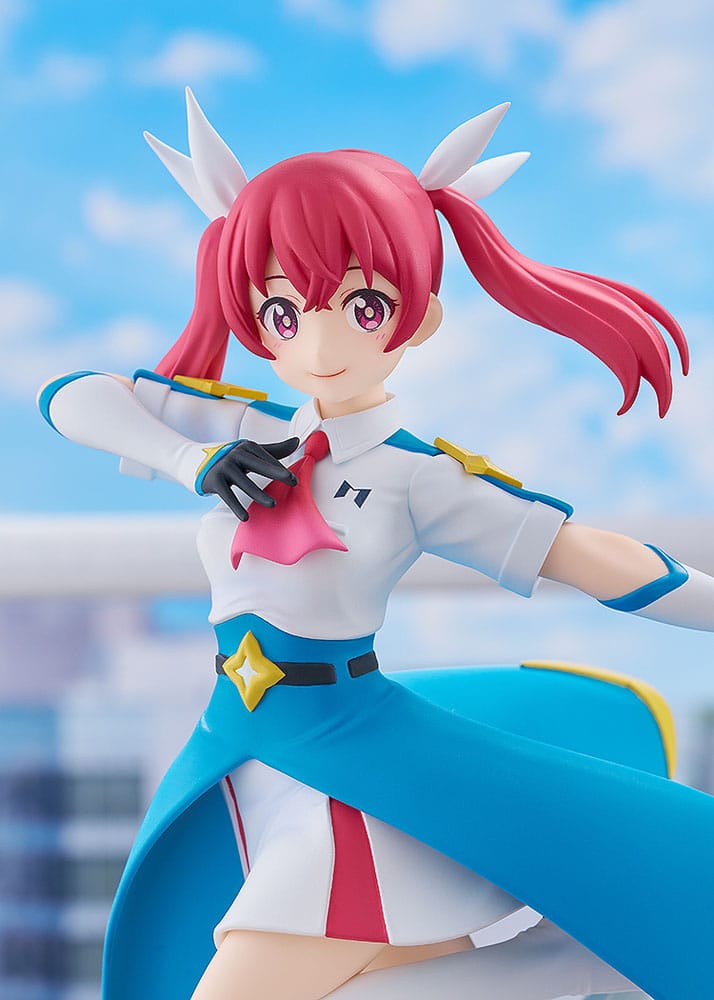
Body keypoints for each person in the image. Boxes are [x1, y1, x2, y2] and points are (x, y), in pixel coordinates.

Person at [38, 90, 714, 1000]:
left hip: (347, 762)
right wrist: (193, 460)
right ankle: (529, 968)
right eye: (284, 313)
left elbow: (588, 558)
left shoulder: (418, 478)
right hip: (239, 744)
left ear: (418, 317)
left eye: (361, 305)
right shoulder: (241, 429)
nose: (319, 342)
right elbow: (74, 397)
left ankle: (544, 963)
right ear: (252, 321)